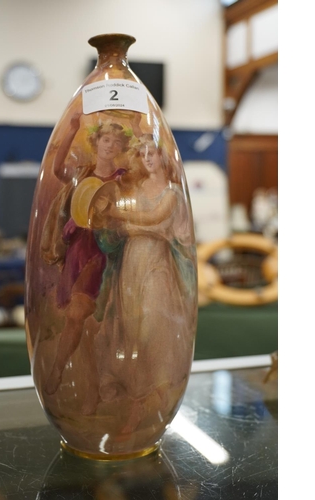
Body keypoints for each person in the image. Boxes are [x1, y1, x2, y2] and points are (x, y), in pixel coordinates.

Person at [90, 134, 197, 433]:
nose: (148, 158)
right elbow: (132, 222)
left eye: (153, 153)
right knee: (131, 329)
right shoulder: (136, 188)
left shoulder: (173, 192)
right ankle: (136, 402)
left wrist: (120, 218)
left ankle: (156, 395)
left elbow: (156, 218)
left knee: (152, 326)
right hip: (132, 264)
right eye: (144, 154)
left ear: (163, 157)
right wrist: (119, 222)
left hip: (156, 264)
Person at [42, 112, 132, 401]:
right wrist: (71, 129)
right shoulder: (82, 173)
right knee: (80, 325)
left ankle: (57, 369)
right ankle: (90, 391)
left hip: (102, 251)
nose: (110, 146)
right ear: (97, 142)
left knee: (77, 313)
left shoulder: (123, 179)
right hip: (77, 247)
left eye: (116, 142)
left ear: (120, 149)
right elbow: (57, 170)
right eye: (106, 139)